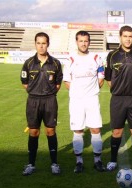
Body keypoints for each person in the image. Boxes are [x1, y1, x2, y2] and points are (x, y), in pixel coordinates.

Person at [104, 25, 132, 172]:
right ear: (120, 37)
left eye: (130, 36)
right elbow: (108, 78)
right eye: (125, 36)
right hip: (118, 99)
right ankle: (112, 160)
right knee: (116, 131)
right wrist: (118, 88)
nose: (128, 39)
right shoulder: (112, 55)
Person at [20, 32, 63, 176]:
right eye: (38, 43)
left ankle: (54, 164)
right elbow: (24, 83)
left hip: (50, 100)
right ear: (35, 44)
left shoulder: (55, 63)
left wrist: (47, 93)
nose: (41, 46)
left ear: (48, 44)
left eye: (44, 43)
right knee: (34, 131)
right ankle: (31, 164)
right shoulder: (28, 63)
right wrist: (35, 92)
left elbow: (58, 84)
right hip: (33, 101)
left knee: (50, 131)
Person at [63, 30, 106, 173]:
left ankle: (97, 161)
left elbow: (101, 78)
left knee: (95, 129)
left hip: (92, 99)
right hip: (76, 100)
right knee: (78, 130)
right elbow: (67, 81)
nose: (83, 43)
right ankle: (79, 162)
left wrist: (91, 91)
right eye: (81, 41)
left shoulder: (96, 58)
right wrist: (78, 93)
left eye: (86, 41)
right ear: (76, 42)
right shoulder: (70, 60)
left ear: (89, 42)